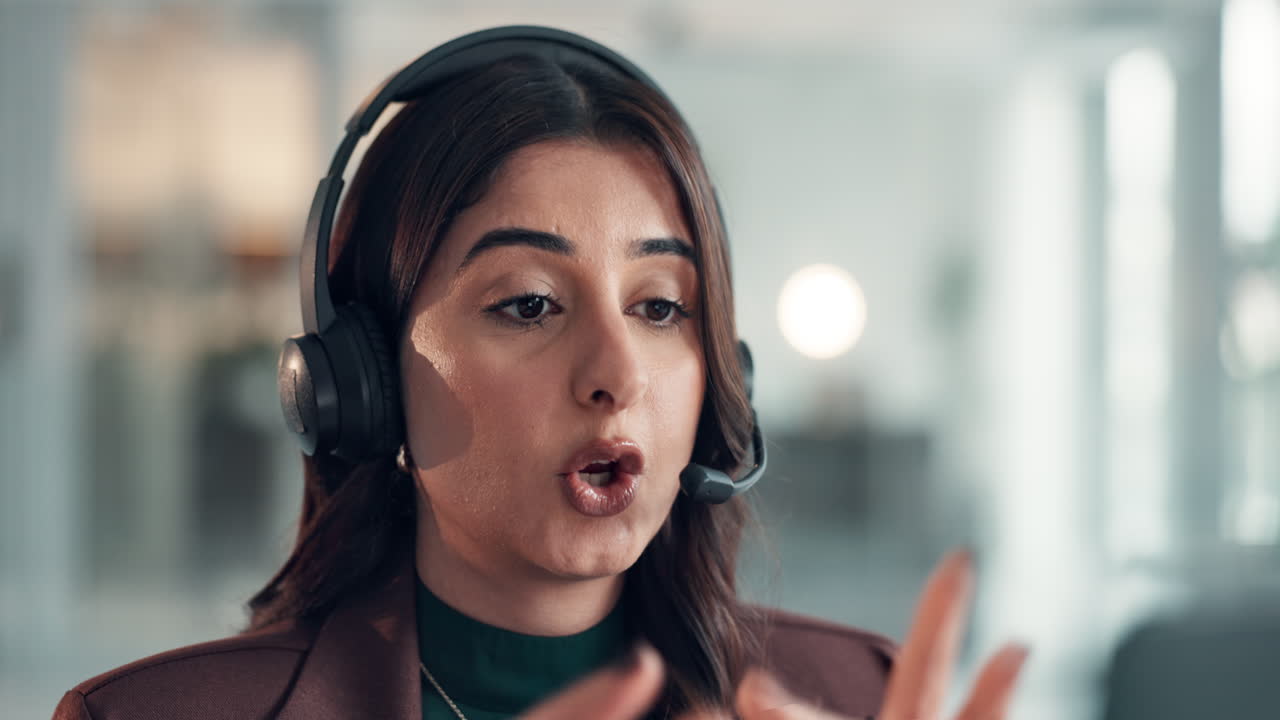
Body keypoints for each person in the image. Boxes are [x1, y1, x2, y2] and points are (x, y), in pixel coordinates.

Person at [53, 26, 1028, 720]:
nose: (616, 374)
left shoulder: (861, 702)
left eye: (658, 307)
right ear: (363, 379)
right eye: (527, 304)